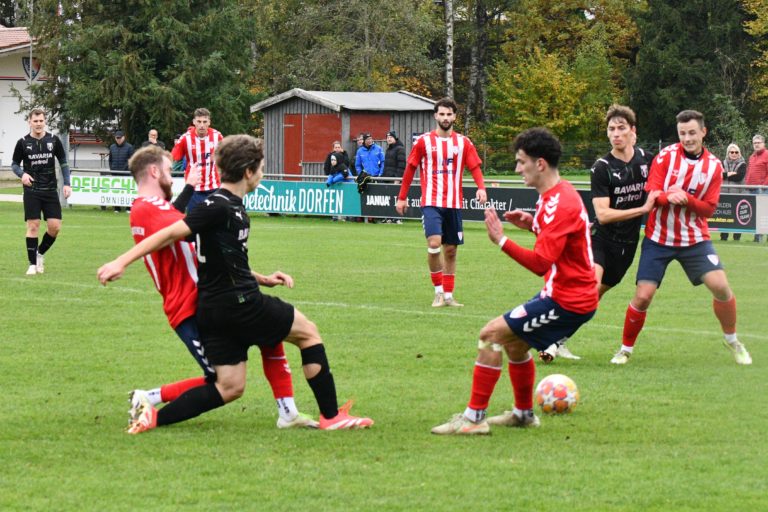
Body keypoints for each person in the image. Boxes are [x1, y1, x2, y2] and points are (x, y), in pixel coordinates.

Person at [98, 134, 373, 433]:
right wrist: (121, 261)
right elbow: (169, 234)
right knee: (308, 333)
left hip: (212, 308)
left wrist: (264, 278)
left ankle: (154, 417)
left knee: (230, 386)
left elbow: (218, 256)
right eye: (261, 168)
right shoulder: (220, 205)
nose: (263, 174)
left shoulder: (220, 206)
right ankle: (331, 416)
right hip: (240, 303)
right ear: (247, 172)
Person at [124, 145, 317, 431]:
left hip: (212, 295)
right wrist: (120, 262)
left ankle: (288, 412)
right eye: (168, 170)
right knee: (222, 381)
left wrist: (260, 279)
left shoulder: (148, 209)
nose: (172, 176)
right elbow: (189, 229)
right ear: (154, 172)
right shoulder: (150, 208)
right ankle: (149, 398)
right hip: (190, 305)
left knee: (269, 331)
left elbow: (212, 251)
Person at [431, 127, 598, 435]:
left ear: (541, 164)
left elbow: (540, 263)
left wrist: (501, 240)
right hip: (565, 294)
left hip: (567, 301)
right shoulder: (559, 196)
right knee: (515, 345)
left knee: (490, 335)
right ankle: (523, 414)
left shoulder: (559, 204)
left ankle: (473, 419)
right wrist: (534, 225)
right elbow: (564, 247)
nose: (517, 168)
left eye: (522, 162)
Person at [610, 110, 752, 366]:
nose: (687, 138)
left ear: (703, 133)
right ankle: (624, 349)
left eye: (692, 133)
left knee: (721, 287)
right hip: (658, 239)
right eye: (682, 134)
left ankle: (732, 340)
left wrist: (687, 199)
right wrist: (667, 197)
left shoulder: (714, 167)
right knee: (643, 296)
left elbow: (708, 209)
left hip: (695, 240)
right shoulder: (665, 156)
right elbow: (652, 192)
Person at [540, 105, 658, 362]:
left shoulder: (648, 160)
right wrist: (643, 208)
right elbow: (603, 214)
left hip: (627, 245)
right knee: (589, 288)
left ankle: (559, 340)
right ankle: (549, 341)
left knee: (591, 298)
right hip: (600, 238)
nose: (616, 134)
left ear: (632, 131)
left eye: (621, 128)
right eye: (611, 129)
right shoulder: (602, 167)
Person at [395, 97, 487, 307]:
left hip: (454, 203)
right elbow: (410, 168)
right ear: (436, 116)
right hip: (431, 202)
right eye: (442, 114)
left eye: (449, 114)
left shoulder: (464, 142)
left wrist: (481, 188)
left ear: (454, 116)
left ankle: (448, 295)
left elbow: (474, 167)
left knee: (451, 250)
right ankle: (437, 292)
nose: (445, 118)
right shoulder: (423, 142)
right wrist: (402, 197)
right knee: (434, 243)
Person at [11, 108, 72, 275]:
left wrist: (67, 183)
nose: (38, 124)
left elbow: (64, 162)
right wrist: (22, 174)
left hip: (50, 190)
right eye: (35, 121)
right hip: (32, 190)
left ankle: (39, 254)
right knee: (33, 225)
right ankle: (31, 265)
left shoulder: (53, 140)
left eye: (41, 121)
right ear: (29, 122)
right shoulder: (22, 142)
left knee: (55, 227)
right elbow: (15, 164)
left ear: (45, 121)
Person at [171, 108, 224, 213]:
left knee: (216, 223)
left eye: (205, 122)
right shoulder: (185, 138)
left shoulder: (217, 136)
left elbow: (227, 156)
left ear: (209, 122)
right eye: (199, 122)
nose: (202, 125)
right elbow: (173, 157)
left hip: (214, 187)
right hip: (194, 188)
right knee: (194, 224)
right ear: (194, 122)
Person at [720, 143, 747, 241]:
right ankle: (723, 237)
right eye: (732, 152)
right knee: (724, 216)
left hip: (738, 194)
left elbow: (739, 176)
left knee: (737, 216)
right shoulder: (722, 163)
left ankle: (736, 238)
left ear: (739, 153)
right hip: (724, 193)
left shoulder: (743, 164)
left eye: (736, 152)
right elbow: (719, 175)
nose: (734, 154)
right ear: (728, 153)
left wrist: (726, 174)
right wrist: (730, 173)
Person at [744, 134, 768, 242]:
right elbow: (750, 171)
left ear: (763, 143)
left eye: (758, 143)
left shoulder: (767, 154)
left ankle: (759, 239)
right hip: (751, 188)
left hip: (762, 189)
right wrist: (747, 183)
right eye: (754, 143)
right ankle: (756, 237)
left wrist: (764, 185)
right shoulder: (752, 156)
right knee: (754, 214)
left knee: (762, 214)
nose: (756, 145)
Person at [108, 129, 135, 212]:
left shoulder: (129, 147)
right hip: (115, 173)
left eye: (120, 138)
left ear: (124, 137)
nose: (118, 139)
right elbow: (110, 160)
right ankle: (117, 207)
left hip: (126, 174)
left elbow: (131, 160)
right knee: (115, 190)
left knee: (127, 191)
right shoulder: (112, 147)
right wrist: (112, 169)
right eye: (117, 138)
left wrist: (126, 169)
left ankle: (128, 207)